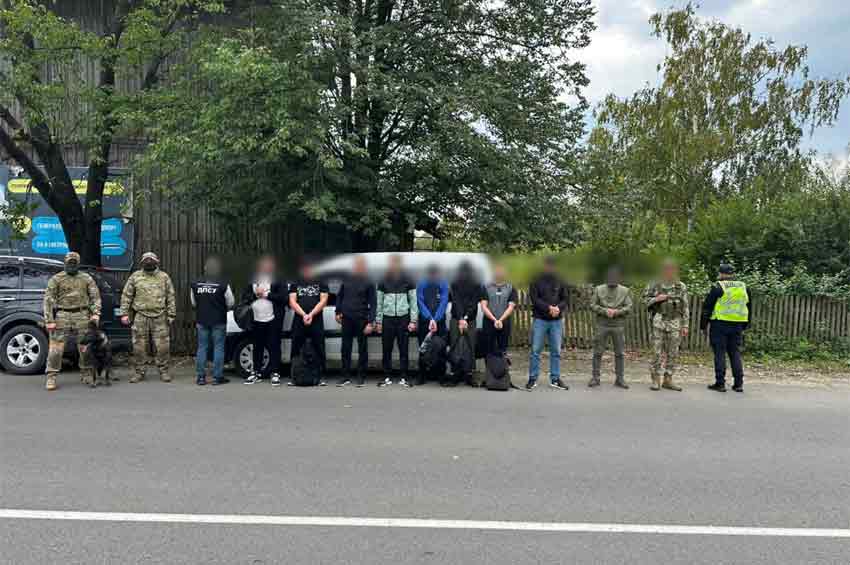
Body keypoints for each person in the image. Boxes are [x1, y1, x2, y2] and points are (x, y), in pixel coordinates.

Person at [42, 252, 101, 391]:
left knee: (85, 347)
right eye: (69, 262)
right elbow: (48, 300)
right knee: (56, 349)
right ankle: (51, 376)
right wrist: (49, 320)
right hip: (62, 314)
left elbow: (95, 297)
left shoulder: (86, 278)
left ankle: (86, 373)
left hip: (82, 314)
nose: (71, 265)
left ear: (78, 263)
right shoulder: (56, 279)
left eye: (74, 262)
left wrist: (96, 314)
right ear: (65, 263)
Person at [121, 252, 176, 383]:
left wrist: (171, 314)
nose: (148, 262)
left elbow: (171, 296)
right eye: (146, 260)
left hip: (160, 316)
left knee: (163, 347)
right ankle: (139, 372)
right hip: (140, 316)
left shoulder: (164, 277)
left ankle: (164, 371)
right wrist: (124, 313)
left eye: (151, 260)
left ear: (157, 262)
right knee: (138, 347)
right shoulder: (135, 277)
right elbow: (126, 296)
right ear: (142, 262)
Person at [701, 264, 751, 393]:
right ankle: (738, 384)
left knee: (720, 353)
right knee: (734, 353)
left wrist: (703, 326)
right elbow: (749, 307)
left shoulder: (718, 287)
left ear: (721, 274)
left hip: (720, 324)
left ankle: (720, 383)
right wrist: (745, 325)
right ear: (732, 274)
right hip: (738, 325)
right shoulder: (744, 286)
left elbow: (707, 307)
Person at [644, 259, 689, 391]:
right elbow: (644, 300)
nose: (670, 271)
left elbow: (685, 307)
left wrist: (685, 325)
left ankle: (668, 379)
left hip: (675, 322)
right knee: (656, 352)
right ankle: (655, 378)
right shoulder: (654, 284)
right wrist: (656, 299)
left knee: (673, 352)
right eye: (667, 269)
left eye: (672, 269)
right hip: (659, 321)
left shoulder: (680, 286)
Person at [242, 255, 288, 386]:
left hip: (273, 318)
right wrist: (255, 295)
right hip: (256, 319)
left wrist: (267, 295)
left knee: (274, 346)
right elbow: (245, 297)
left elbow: (284, 298)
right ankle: (256, 372)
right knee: (257, 346)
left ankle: (275, 373)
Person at [526, 256, 570, 391]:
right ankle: (533, 379)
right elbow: (535, 299)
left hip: (556, 321)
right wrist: (549, 308)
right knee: (535, 351)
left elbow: (566, 298)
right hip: (540, 319)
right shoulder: (535, 279)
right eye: (548, 266)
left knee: (556, 351)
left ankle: (555, 379)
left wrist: (558, 308)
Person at [190, 255, 235, 386]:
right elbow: (231, 302)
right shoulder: (223, 283)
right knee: (219, 348)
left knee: (202, 347)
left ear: (205, 268)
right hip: (219, 320)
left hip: (201, 319)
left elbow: (193, 303)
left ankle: (201, 377)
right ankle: (217, 377)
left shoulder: (195, 283)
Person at [375, 255, 418, 387]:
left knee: (403, 350)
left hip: (403, 318)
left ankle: (404, 377)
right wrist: (378, 321)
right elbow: (379, 302)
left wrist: (413, 320)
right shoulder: (383, 280)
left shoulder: (408, 280)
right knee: (386, 349)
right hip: (387, 318)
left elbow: (413, 301)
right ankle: (386, 376)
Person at [335, 255, 377, 387]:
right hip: (346, 319)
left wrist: (370, 322)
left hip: (361, 319)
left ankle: (361, 376)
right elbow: (339, 296)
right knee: (345, 349)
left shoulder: (369, 281)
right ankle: (345, 376)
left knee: (362, 349)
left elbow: (373, 303)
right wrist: (337, 312)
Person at [588, 266, 633, 389]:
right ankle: (595, 378)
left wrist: (617, 312)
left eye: (615, 277)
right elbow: (592, 304)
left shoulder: (625, 291)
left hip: (618, 326)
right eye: (610, 277)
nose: (612, 279)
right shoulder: (598, 289)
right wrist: (604, 310)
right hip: (602, 325)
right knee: (598, 352)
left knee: (619, 353)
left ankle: (620, 379)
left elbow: (629, 306)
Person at [289, 261, 329, 385]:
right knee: (296, 345)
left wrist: (311, 314)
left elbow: (324, 300)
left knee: (319, 346)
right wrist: (304, 314)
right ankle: (295, 376)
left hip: (316, 319)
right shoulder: (296, 281)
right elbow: (292, 301)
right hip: (299, 319)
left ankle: (320, 376)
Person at [449, 261, 486, 386]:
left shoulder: (476, 284)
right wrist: (460, 318)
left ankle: (469, 374)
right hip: (456, 319)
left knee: (470, 346)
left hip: (470, 320)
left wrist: (465, 318)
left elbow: (474, 302)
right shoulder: (454, 282)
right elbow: (455, 301)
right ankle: (455, 374)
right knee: (455, 345)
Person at [416, 264, 449, 385]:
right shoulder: (422, 283)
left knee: (441, 348)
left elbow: (444, 302)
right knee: (423, 348)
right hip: (425, 321)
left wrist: (435, 319)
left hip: (439, 321)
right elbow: (420, 302)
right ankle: (422, 375)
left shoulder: (443, 283)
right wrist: (430, 318)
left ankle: (441, 376)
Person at [481, 263, 518, 358]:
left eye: (501, 271)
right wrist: (494, 320)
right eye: (497, 271)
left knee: (503, 349)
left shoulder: (511, 287)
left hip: (504, 323)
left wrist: (500, 320)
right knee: (489, 350)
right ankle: (490, 371)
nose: (499, 273)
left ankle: (502, 371)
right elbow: (484, 306)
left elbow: (511, 306)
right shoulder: (485, 286)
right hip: (489, 322)